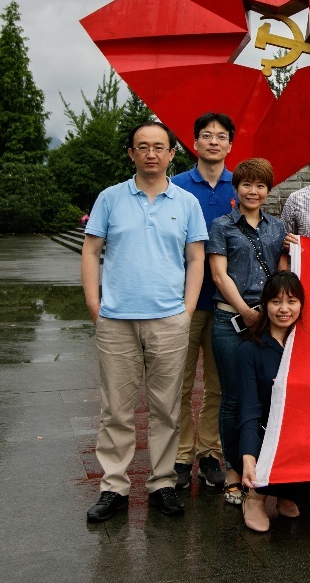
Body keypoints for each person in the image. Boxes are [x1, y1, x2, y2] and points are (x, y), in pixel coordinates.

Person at [83, 121, 208, 523]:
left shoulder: (186, 202)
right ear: (131, 153)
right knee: (116, 410)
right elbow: (90, 251)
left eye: (159, 146)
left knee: (167, 408)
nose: (151, 153)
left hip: (169, 320)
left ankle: (162, 483)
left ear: (172, 154)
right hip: (116, 320)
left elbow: (196, 259)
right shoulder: (110, 198)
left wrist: (187, 310)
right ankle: (114, 487)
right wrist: (95, 305)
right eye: (143, 146)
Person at [207, 157, 288, 506]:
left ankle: (265, 466)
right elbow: (219, 275)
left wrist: (269, 313)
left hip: (269, 322)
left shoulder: (278, 227)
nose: (252, 191)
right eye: (246, 185)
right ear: (236, 188)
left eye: (260, 185)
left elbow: (284, 272)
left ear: (268, 191)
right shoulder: (221, 225)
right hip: (231, 321)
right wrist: (245, 311)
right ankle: (233, 472)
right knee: (233, 399)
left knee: (270, 396)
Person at [169, 112, 237, 491]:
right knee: (177, 383)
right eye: (206, 136)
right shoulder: (175, 186)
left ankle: (210, 452)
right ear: (194, 143)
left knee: (218, 384)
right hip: (181, 301)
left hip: (226, 302)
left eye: (221, 136)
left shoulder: (240, 186)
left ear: (230, 145)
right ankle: (181, 455)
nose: (213, 141)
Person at [238, 271, 307, 532]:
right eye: (276, 302)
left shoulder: (306, 345)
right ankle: (255, 498)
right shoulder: (249, 349)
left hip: (295, 429)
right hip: (261, 429)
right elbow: (248, 408)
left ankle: (287, 491)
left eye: (292, 301)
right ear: (264, 304)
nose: (284, 309)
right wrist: (247, 457)